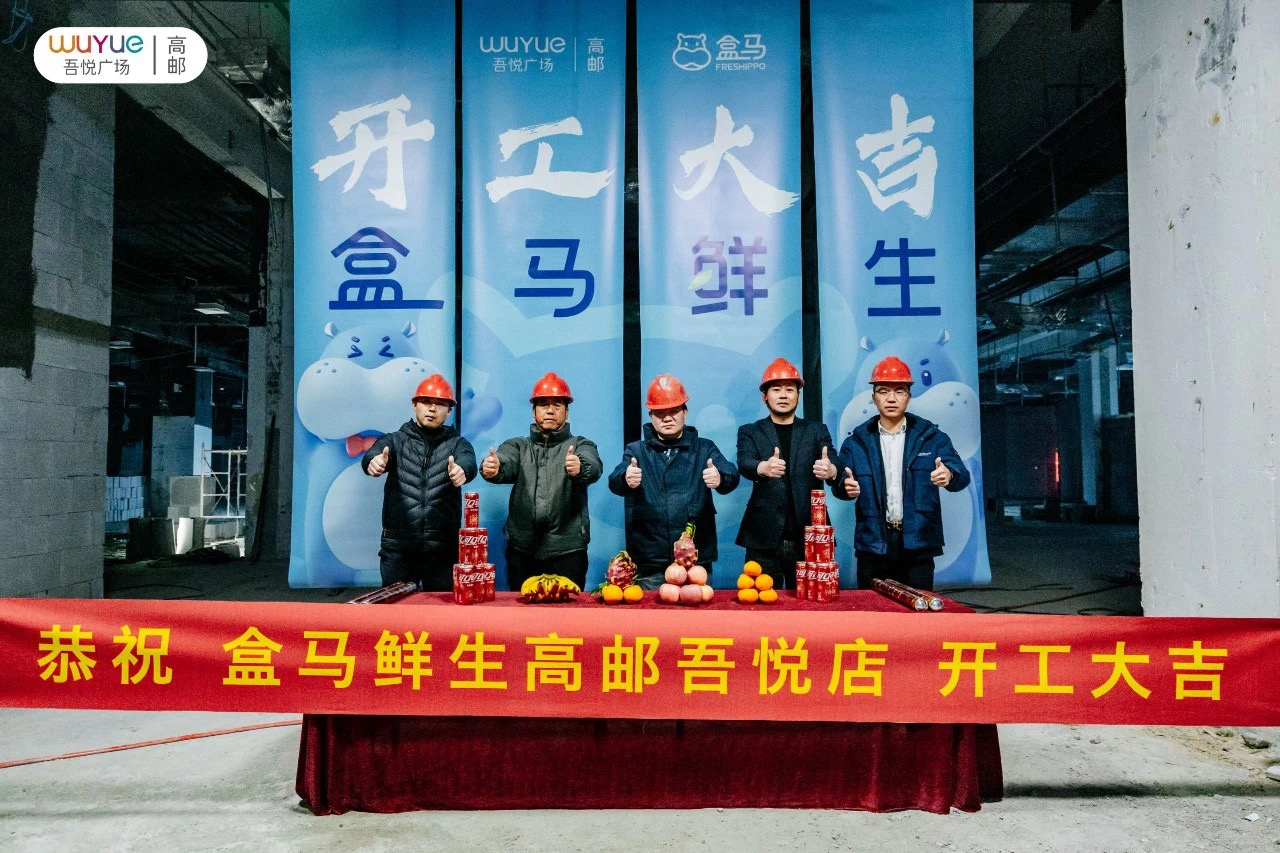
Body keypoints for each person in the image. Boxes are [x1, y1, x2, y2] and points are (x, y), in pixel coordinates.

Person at [833, 356, 970, 592]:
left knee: (918, 608)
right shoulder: (856, 442)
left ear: (909, 396)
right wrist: (844, 486)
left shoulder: (932, 437)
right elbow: (839, 484)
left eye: (899, 391)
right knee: (873, 609)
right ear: (873, 397)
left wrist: (949, 474)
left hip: (918, 543)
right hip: (873, 544)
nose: (891, 398)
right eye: (883, 391)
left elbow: (962, 476)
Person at [607, 373, 739, 588]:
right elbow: (614, 481)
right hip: (651, 559)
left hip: (695, 559)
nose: (667, 418)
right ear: (650, 415)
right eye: (660, 413)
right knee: (651, 610)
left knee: (697, 607)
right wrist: (626, 479)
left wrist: (720, 478)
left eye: (673, 411)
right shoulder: (636, 451)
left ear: (685, 413)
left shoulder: (705, 448)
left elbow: (732, 476)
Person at [479, 372, 603, 590]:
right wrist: (494, 467)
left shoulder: (581, 444)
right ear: (534, 412)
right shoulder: (517, 445)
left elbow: (593, 465)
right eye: (543, 404)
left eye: (557, 405)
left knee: (570, 610)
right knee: (521, 611)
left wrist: (580, 467)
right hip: (522, 551)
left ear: (567, 412)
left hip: (569, 551)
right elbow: (506, 459)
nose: (550, 410)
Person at [362, 373, 477, 591]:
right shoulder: (394, 440)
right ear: (414, 405)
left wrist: (463, 471)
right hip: (399, 548)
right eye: (426, 402)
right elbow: (374, 454)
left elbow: (468, 462)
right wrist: (373, 462)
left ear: (449, 411)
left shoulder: (458, 444)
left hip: (442, 549)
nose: (432, 409)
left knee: (440, 611)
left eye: (440, 404)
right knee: (396, 609)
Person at [736, 357, 842, 591]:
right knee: (760, 603)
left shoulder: (816, 431)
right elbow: (744, 462)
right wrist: (762, 468)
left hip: (811, 536)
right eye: (776, 389)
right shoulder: (750, 431)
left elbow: (833, 461)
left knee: (812, 605)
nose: (783, 395)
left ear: (798, 396)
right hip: (763, 537)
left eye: (790, 389)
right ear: (765, 396)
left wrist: (831, 470)